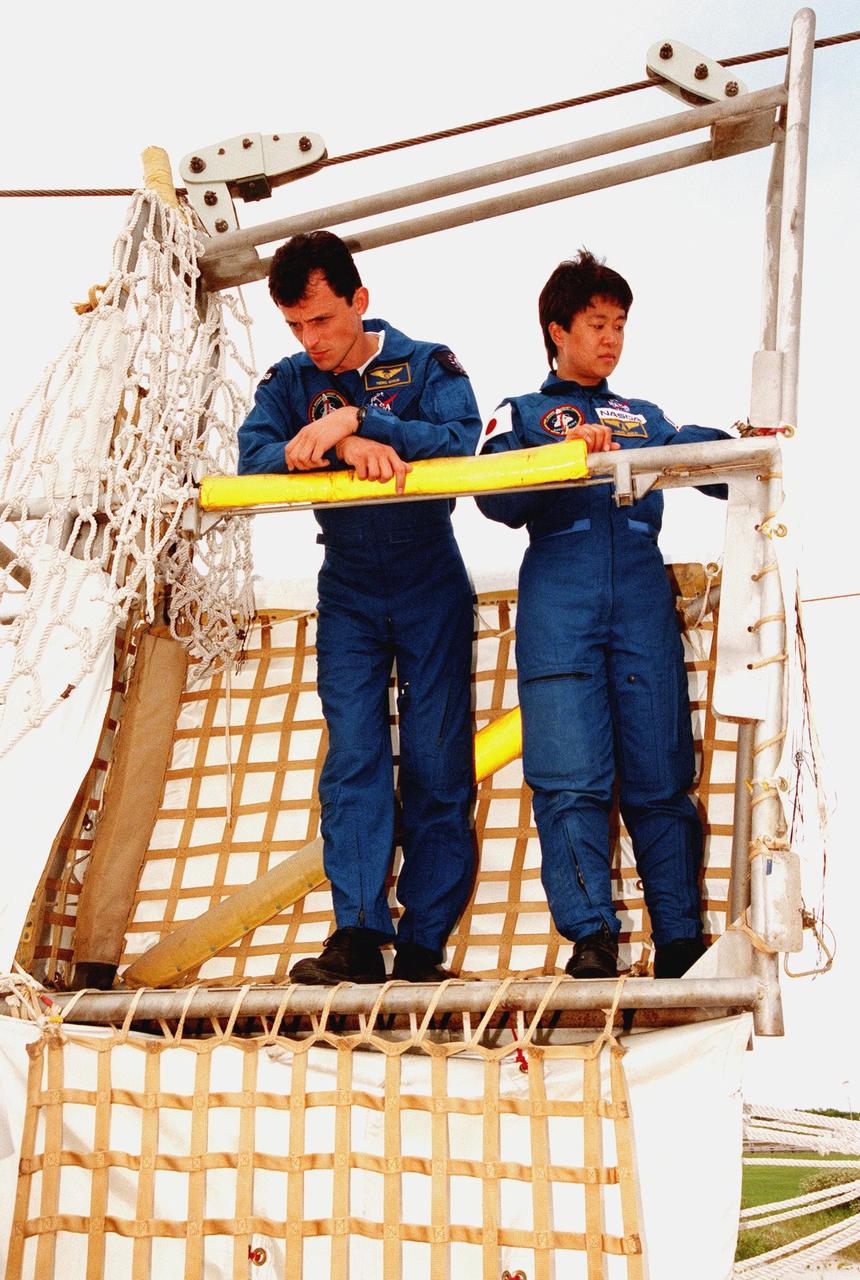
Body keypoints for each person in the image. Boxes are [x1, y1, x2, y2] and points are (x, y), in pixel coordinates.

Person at [476, 250, 731, 980]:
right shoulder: (521, 412)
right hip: (561, 593)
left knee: (660, 772)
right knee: (570, 776)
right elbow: (494, 498)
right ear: (557, 329)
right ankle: (591, 935)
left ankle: (680, 937)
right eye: (596, 323)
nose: (611, 337)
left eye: (619, 324)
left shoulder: (643, 416)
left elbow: (708, 465)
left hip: (643, 598)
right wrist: (560, 454)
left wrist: (750, 445)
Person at [238, 231, 480, 984]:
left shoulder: (427, 361)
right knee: (354, 759)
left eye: (323, 322)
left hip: (429, 578)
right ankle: (358, 935)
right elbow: (252, 457)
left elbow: (460, 440)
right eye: (296, 327)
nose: (312, 342)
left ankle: (421, 946)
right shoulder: (287, 382)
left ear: (360, 302)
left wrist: (362, 422)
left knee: (440, 763)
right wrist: (338, 446)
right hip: (345, 586)